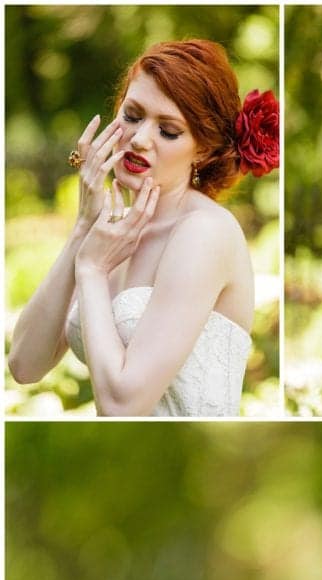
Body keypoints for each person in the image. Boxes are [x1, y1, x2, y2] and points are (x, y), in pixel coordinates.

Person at [7, 39, 279, 416]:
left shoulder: (205, 233)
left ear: (203, 149)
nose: (138, 140)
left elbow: (122, 405)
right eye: (132, 116)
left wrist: (92, 269)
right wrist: (83, 229)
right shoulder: (111, 230)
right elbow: (24, 364)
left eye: (168, 131)